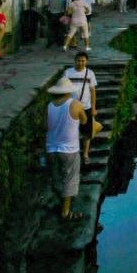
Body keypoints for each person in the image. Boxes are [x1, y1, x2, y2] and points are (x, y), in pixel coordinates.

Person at [45, 75, 87, 221]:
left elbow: (47, 125)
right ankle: (66, 212)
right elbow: (84, 120)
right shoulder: (75, 104)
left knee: (56, 178)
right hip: (69, 149)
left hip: (51, 148)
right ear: (68, 91)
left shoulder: (49, 105)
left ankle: (63, 203)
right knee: (70, 179)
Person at [65, 51, 97, 164]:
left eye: (83, 61)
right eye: (79, 60)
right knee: (71, 132)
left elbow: (92, 91)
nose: (81, 63)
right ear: (75, 61)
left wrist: (93, 107)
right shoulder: (68, 73)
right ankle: (73, 154)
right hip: (71, 107)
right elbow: (64, 90)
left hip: (86, 107)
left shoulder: (90, 73)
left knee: (87, 132)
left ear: (86, 61)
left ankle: (85, 154)